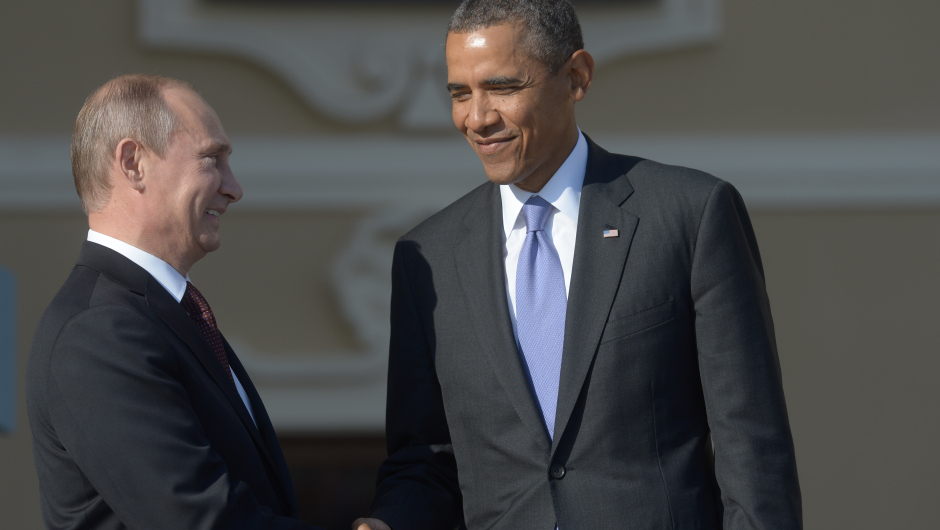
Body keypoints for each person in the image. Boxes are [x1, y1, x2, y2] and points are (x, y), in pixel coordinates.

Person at [355, 1, 802, 529]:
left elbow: (752, 449)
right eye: (460, 93)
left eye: (502, 87)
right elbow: (427, 461)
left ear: (576, 77)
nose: (476, 118)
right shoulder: (425, 256)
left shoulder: (689, 216)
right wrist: (383, 524)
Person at [26, 74, 324, 530]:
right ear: (133, 163)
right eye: (211, 160)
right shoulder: (98, 333)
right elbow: (197, 518)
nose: (234, 188)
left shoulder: (159, 313)